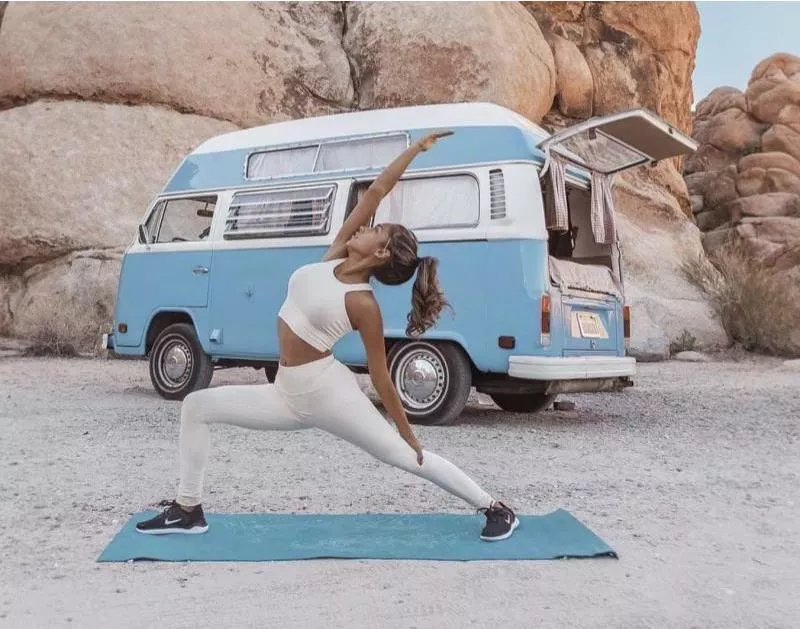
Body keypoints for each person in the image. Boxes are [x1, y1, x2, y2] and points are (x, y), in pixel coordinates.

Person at [136, 131, 519, 542]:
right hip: (286, 391)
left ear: (381, 253)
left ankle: (494, 507)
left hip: (327, 393)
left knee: (403, 456)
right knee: (195, 406)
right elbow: (376, 191)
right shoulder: (336, 254)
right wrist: (413, 150)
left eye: (376, 230)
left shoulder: (362, 303)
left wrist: (405, 429)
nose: (364, 226)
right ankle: (188, 509)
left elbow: (379, 373)